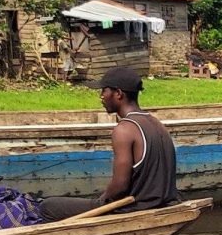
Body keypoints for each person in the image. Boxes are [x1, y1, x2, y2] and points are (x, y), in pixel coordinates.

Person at [39, 67, 180, 222]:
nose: (101, 96)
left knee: (48, 206)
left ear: (118, 94)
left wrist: (102, 200)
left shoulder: (124, 129)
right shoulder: (157, 123)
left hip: (134, 207)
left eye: (104, 91)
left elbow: (120, 185)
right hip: (162, 202)